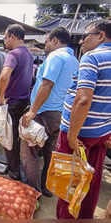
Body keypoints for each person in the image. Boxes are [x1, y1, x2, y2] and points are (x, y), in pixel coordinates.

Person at [56, 20, 111, 219]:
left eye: (86, 35)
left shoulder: (92, 57)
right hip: (101, 133)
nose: (81, 41)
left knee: (68, 185)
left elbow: (83, 99)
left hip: (80, 135)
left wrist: (72, 135)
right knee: (92, 182)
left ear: (101, 35)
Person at [20, 27, 79, 197]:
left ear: (55, 40)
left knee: (30, 150)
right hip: (61, 113)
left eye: (46, 41)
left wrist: (32, 111)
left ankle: (33, 191)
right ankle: (45, 186)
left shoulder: (55, 56)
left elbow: (47, 85)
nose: (45, 45)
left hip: (44, 112)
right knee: (50, 152)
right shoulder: (74, 60)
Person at [0, 24, 33, 180]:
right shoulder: (29, 54)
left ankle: (14, 172)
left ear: (12, 36)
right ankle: (17, 167)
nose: (5, 41)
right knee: (18, 138)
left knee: (9, 138)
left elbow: (4, 76)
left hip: (12, 101)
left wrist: (1, 98)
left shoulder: (13, 54)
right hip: (24, 100)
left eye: (5, 37)